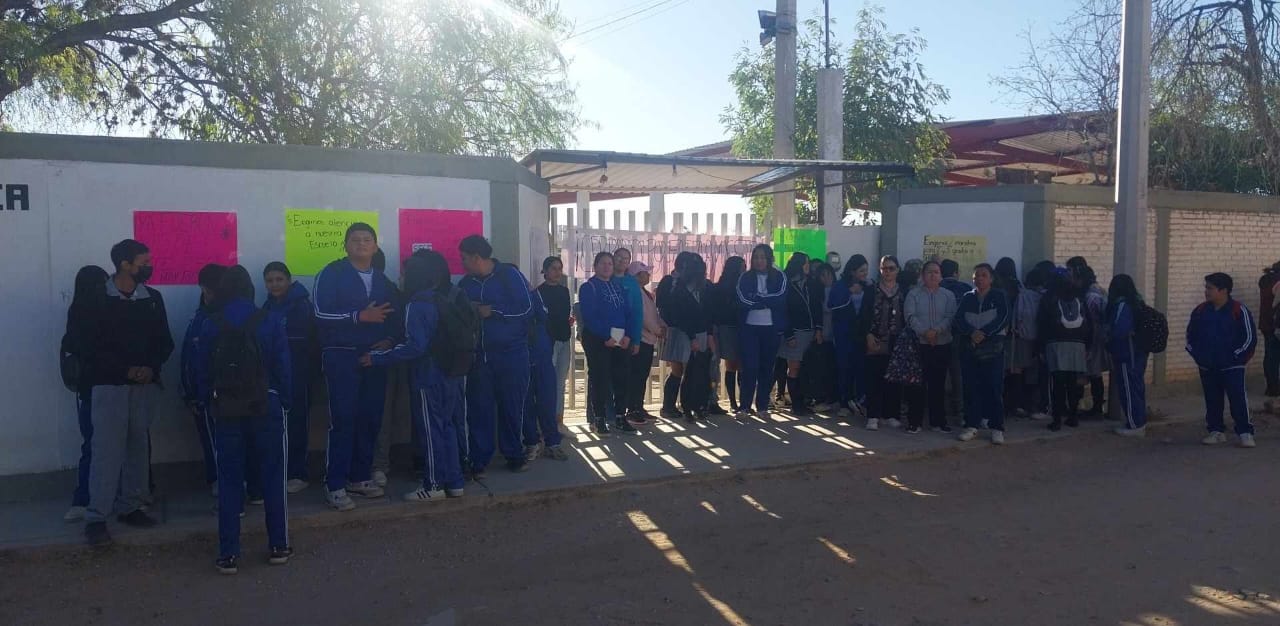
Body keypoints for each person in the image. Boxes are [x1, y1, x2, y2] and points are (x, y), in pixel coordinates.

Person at [192, 265, 292, 574]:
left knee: (230, 480)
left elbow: (201, 371)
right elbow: (284, 366)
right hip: (266, 404)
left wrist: (206, 399)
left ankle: (229, 553)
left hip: (227, 409)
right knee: (273, 477)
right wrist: (284, 401)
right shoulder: (269, 318)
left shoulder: (210, 323)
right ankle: (277, 545)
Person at [79, 239, 174, 546]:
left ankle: (131, 506)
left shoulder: (152, 298)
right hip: (108, 386)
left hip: (143, 387)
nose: (148, 266)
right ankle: (96, 517)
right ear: (125, 264)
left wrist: (150, 367)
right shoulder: (94, 298)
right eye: (144, 261)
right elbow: (85, 345)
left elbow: (164, 341)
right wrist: (124, 371)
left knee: (137, 448)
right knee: (106, 452)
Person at [363, 250, 469, 501]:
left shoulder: (417, 305)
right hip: (450, 373)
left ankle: (432, 485)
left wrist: (377, 358)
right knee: (448, 428)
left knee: (431, 431)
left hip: (428, 376)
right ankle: (454, 482)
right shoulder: (441, 300)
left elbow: (415, 346)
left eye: (404, 273)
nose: (400, 278)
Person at [313, 223, 397, 511]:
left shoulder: (383, 279)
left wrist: (389, 340)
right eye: (355, 239)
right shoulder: (331, 273)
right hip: (341, 355)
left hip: (375, 357)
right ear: (345, 245)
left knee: (370, 417)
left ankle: (359, 478)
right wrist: (359, 316)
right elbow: (320, 313)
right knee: (343, 419)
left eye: (367, 239)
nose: (361, 243)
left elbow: (395, 317)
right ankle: (334, 483)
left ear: (375, 246)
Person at [458, 234, 539, 472]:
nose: (462, 263)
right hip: (480, 357)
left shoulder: (509, 275)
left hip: (512, 355)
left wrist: (492, 311)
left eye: (464, 258)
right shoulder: (466, 284)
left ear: (476, 257)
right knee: (479, 408)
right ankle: (479, 459)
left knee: (512, 406)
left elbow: (526, 308)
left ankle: (514, 453)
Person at [262, 262, 317, 494]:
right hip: (273, 376)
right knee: (276, 425)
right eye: (270, 280)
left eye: (279, 279)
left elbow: (305, 344)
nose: (275, 284)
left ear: (288, 280)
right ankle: (281, 471)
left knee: (296, 423)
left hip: (298, 374)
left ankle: (298, 473)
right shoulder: (267, 306)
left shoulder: (300, 305)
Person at [1187, 272, 1258, 448]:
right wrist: (1198, 356)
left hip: (1232, 366)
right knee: (1212, 399)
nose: (1206, 291)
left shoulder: (1238, 310)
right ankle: (1216, 431)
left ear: (1223, 290)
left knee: (1238, 399)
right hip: (1207, 365)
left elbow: (1249, 338)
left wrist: (1236, 357)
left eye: (1210, 288)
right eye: (1206, 287)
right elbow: (1191, 335)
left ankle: (1245, 433)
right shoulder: (1201, 311)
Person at [62, 265, 110, 523]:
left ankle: (84, 499)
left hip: (87, 391)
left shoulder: (76, 313)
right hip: (100, 389)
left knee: (91, 445)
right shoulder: (95, 313)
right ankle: (88, 499)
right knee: (98, 445)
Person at [180, 263, 228, 500]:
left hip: (215, 394)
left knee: (221, 442)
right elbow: (189, 357)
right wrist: (189, 394)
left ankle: (225, 484)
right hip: (203, 395)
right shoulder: (201, 316)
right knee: (213, 442)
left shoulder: (220, 318)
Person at [579, 251, 637, 434]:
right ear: (595, 266)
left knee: (622, 378)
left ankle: (620, 416)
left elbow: (628, 313)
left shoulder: (618, 287)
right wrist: (606, 337)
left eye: (610, 264)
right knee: (600, 379)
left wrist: (628, 335)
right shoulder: (589, 287)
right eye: (603, 263)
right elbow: (589, 316)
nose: (607, 267)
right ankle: (599, 418)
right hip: (599, 340)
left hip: (621, 339)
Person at [954, 263, 1010, 444]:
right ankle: (972, 425)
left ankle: (997, 428)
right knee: (971, 388)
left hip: (993, 350)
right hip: (970, 349)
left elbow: (1004, 317)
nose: (979, 278)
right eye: (976, 275)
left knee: (993, 388)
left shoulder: (999, 296)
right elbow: (959, 319)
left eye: (983, 275)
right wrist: (972, 333)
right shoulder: (967, 298)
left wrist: (985, 332)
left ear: (991, 278)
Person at [904, 261, 957, 434]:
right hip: (919, 345)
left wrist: (936, 332)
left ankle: (938, 422)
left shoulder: (948, 295)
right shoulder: (913, 294)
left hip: (942, 344)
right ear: (922, 275)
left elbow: (950, 317)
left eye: (936, 272)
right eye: (929, 272)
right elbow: (910, 317)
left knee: (938, 384)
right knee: (917, 385)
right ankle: (915, 422)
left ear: (941, 275)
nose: (933, 275)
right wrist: (925, 333)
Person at [736, 244, 788, 417]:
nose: (759, 261)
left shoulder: (779, 276)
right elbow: (742, 299)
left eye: (762, 257)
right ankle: (744, 406)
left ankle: (763, 406)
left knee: (766, 368)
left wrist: (759, 299)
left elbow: (780, 298)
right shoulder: (745, 277)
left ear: (769, 258)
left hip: (771, 328)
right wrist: (760, 302)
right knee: (749, 367)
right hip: (750, 328)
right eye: (756, 257)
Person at [1037, 269, 1091, 433]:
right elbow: (1089, 324)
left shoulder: (1048, 298)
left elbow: (1042, 324)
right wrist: (1088, 345)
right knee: (1073, 383)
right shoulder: (1079, 296)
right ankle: (1073, 416)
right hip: (1078, 345)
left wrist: (1040, 347)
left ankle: (1056, 420)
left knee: (1057, 384)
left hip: (1056, 344)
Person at [522, 284, 568, 461]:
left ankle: (552, 443)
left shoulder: (534, 295)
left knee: (547, 401)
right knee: (525, 404)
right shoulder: (505, 301)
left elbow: (545, 316)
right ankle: (531, 442)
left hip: (542, 357)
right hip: (522, 359)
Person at [666, 254, 714, 419]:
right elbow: (681, 316)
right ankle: (686, 406)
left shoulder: (704, 288)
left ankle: (698, 405)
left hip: (701, 333)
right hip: (685, 334)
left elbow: (708, 315)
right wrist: (692, 337)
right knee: (685, 371)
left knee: (698, 372)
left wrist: (709, 335)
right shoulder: (679, 289)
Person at [861, 255, 906, 430]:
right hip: (875, 338)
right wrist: (867, 335)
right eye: (884, 268)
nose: (887, 272)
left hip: (896, 340)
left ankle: (891, 414)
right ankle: (873, 415)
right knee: (874, 377)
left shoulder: (903, 291)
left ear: (897, 270)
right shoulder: (871, 290)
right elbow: (864, 315)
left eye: (891, 268)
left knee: (893, 379)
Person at [1105, 274, 1149, 437]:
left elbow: (1119, 330)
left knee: (1128, 389)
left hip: (1126, 353)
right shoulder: (1137, 302)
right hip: (1138, 352)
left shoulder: (1123, 306)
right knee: (1136, 387)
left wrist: (1108, 332)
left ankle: (1134, 424)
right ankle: (1138, 420)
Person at [828, 254, 870, 418]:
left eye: (866, 270)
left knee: (860, 367)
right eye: (861, 270)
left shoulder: (867, 285)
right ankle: (844, 402)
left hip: (860, 333)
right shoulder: (840, 286)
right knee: (844, 367)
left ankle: (859, 399)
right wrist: (849, 292)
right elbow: (833, 305)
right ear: (852, 271)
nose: (865, 273)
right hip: (843, 333)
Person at [1011, 261, 1053, 421]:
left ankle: (1019, 405)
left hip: (1022, 338)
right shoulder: (1046, 296)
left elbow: (1017, 316)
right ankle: (1034, 406)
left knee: (1019, 371)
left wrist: (1015, 329)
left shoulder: (1023, 295)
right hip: (1040, 340)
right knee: (1035, 374)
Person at [657, 251, 696, 419]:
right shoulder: (669, 281)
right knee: (677, 369)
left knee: (684, 369)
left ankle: (680, 404)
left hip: (686, 329)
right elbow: (662, 303)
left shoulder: (691, 283)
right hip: (673, 328)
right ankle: (668, 406)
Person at [536, 257, 573, 430]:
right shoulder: (539, 292)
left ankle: (558, 421)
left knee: (560, 382)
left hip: (564, 340)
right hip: (549, 342)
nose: (558, 272)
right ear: (544, 270)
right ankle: (546, 422)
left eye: (560, 268)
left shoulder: (564, 291)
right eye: (553, 268)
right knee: (547, 383)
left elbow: (564, 315)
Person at [780, 253, 819, 416]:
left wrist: (819, 328)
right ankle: (796, 404)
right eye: (805, 264)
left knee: (804, 367)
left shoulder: (810, 283)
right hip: (795, 332)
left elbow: (816, 306)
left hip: (809, 331)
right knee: (793, 367)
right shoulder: (787, 284)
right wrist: (789, 335)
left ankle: (803, 400)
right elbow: (784, 311)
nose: (808, 267)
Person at [627, 261, 666, 421]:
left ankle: (638, 406)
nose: (648, 275)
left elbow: (652, 314)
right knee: (636, 376)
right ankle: (632, 408)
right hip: (641, 339)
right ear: (637, 275)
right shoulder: (636, 291)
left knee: (642, 375)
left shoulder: (643, 291)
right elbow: (643, 317)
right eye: (645, 273)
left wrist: (661, 326)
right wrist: (658, 330)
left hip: (648, 339)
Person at [709, 256, 746, 413]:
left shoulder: (720, 286)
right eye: (743, 266)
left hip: (726, 327)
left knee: (732, 365)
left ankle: (734, 402)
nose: (745, 269)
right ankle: (737, 402)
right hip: (733, 327)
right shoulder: (738, 287)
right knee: (737, 365)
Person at [1073, 265, 1109, 418]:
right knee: (1095, 374)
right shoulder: (1099, 291)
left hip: (1092, 337)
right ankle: (1097, 405)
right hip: (1098, 337)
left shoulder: (1090, 296)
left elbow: (1091, 319)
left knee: (1088, 373)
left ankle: (1089, 406)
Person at [939, 259, 972, 420]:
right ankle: (960, 410)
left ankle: (940, 410)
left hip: (937, 335)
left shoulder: (936, 288)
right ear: (956, 273)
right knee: (958, 373)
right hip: (961, 335)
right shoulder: (966, 288)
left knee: (939, 373)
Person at [807, 262, 839, 411]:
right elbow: (827, 307)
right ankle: (820, 399)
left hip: (836, 336)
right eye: (822, 275)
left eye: (828, 274)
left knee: (833, 369)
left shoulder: (840, 289)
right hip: (822, 335)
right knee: (821, 369)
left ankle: (832, 398)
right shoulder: (818, 291)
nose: (826, 278)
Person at [1258, 262, 1280, 397]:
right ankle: (1274, 388)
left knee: (1270, 356)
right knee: (1273, 357)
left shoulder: (1266, 280)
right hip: (1277, 325)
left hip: (1266, 324)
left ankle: (1271, 387)